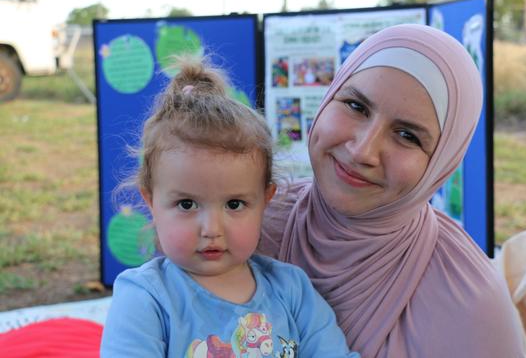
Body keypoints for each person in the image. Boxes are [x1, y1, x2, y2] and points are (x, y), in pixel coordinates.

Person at [259, 24, 526, 357]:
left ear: (441, 163)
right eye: (356, 106)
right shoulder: (245, 224)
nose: (362, 152)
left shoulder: (468, 303)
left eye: (407, 136)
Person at [100, 59, 359, 358]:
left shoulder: (292, 290)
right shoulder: (146, 298)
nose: (212, 229)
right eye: (187, 204)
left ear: (265, 200)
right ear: (151, 203)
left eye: (234, 204)